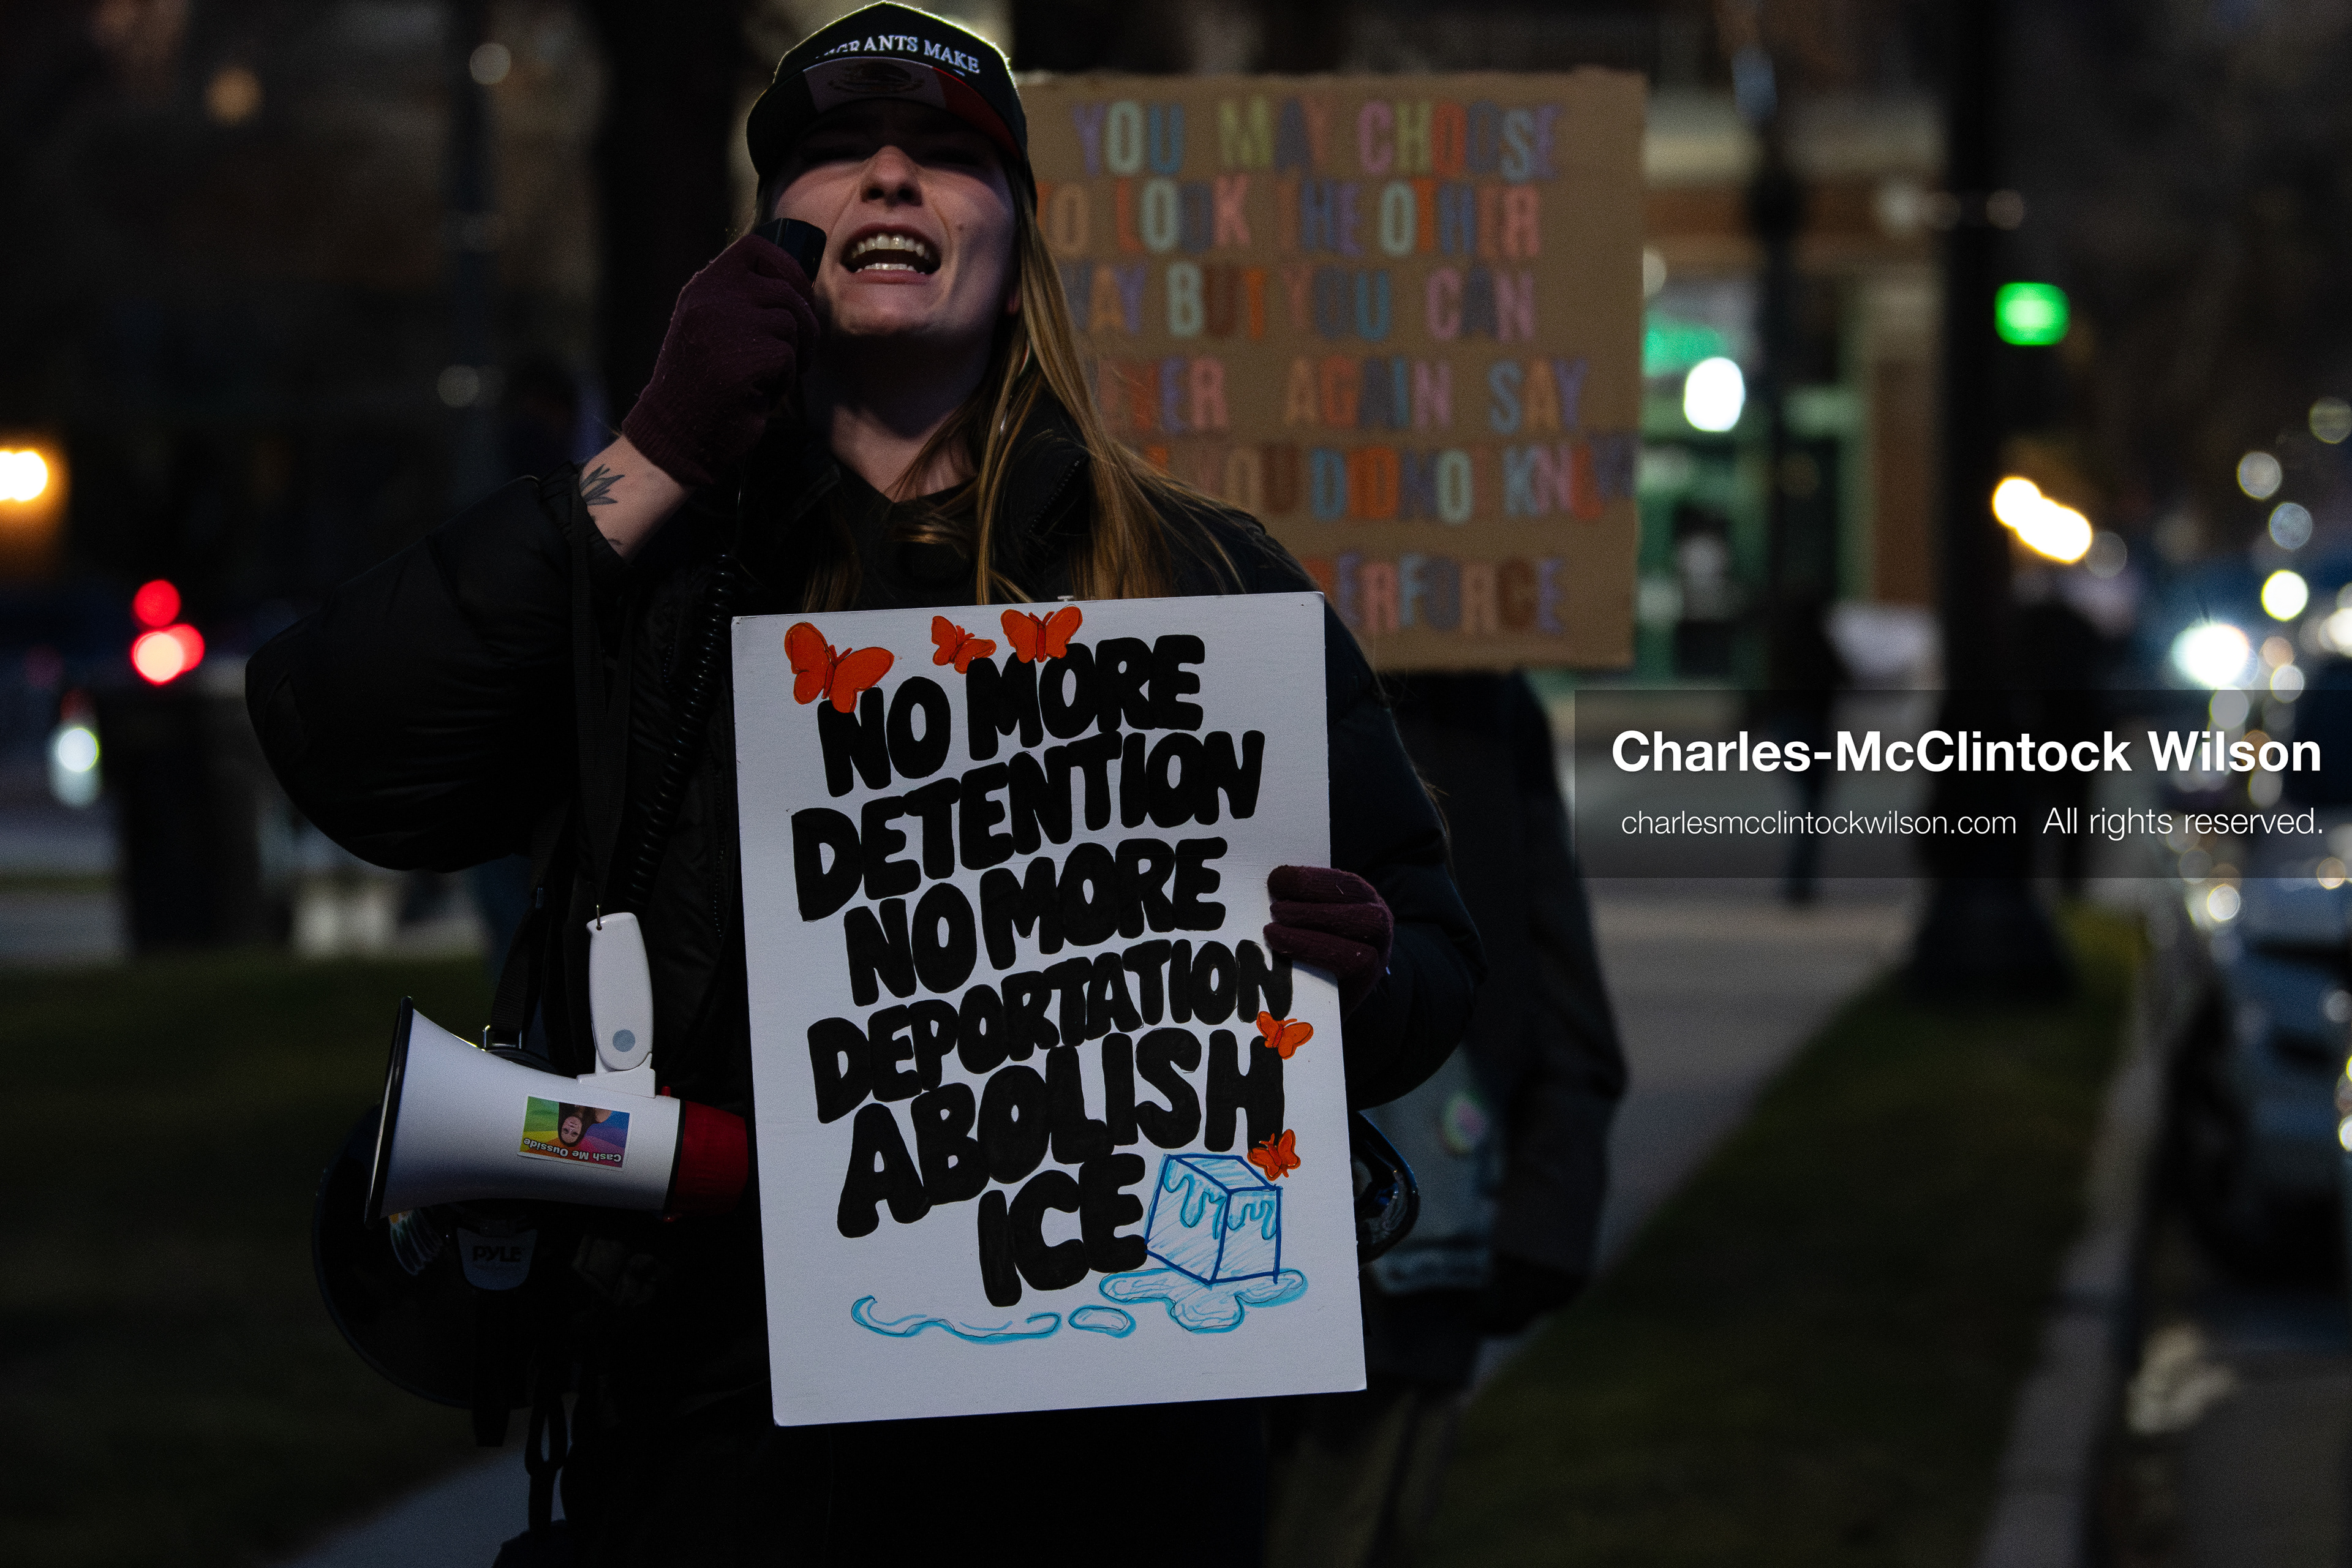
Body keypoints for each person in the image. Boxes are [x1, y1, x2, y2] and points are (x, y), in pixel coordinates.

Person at [243, 8, 1482, 1563]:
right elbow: (349, 751)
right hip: (724, 1439)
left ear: (1016, 239)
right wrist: (648, 465)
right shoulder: (656, 571)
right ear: (771, 238)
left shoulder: (1202, 579)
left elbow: (1435, 962)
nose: (891, 173)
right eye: (836, 151)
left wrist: (1358, 969)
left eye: (951, 155)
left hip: (1113, 1463)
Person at [1264, 673, 1626, 1566]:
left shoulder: (1473, 699)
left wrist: (1548, 1203)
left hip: (1417, 1255)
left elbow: (1546, 951)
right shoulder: (1176, 625)